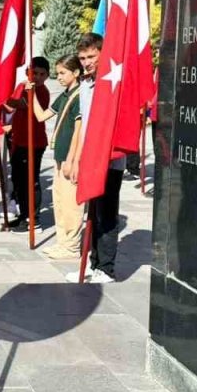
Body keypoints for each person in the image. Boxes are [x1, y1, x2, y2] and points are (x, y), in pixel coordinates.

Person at [64, 33, 124, 284]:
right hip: (90, 158)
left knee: (106, 215)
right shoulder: (86, 85)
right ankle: (92, 262)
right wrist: (76, 159)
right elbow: (84, 126)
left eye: (91, 56)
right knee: (93, 212)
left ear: (102, 53)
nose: (87, 62)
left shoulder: (113, 82)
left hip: (109, 160)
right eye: (82, 58)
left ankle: (106, 268)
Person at [23, 55, 83, 259]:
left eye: (63, 73)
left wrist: (72, 159)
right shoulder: (65, 95)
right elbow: (41, 116)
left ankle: (72, 245)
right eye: (58, 73)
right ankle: (62, 242)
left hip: (69, 157)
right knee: (59, 201)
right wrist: (31, 95)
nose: (59, 77)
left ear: (76, 73)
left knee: (71, 204)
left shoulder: (80, 95)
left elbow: (79, 130)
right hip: (59, 156)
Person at [2, 56, 51, 230]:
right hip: (19, 140)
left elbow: (21, 104)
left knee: (31, 180)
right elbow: (12, 107)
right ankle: (23, 214)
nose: (37, 77)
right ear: (27, 73)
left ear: (46, 76)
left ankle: (33, 218)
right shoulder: (22, 87)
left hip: (34, 143)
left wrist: (2, 94)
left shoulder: (42, 92)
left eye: (41, 74)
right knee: (18, 180)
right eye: (33, 73)